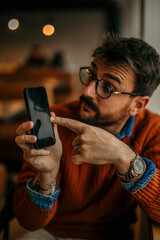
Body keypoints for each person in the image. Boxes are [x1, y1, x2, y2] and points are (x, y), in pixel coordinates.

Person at [14, 33, 160, 240]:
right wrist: (47, 174)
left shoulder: (153, 130)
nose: (88, 91)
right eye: (91, 75)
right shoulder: (54, 119)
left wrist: (123, 157)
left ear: (137, 105)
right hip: (49, 232)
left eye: (108, 87)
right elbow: (28, 222)